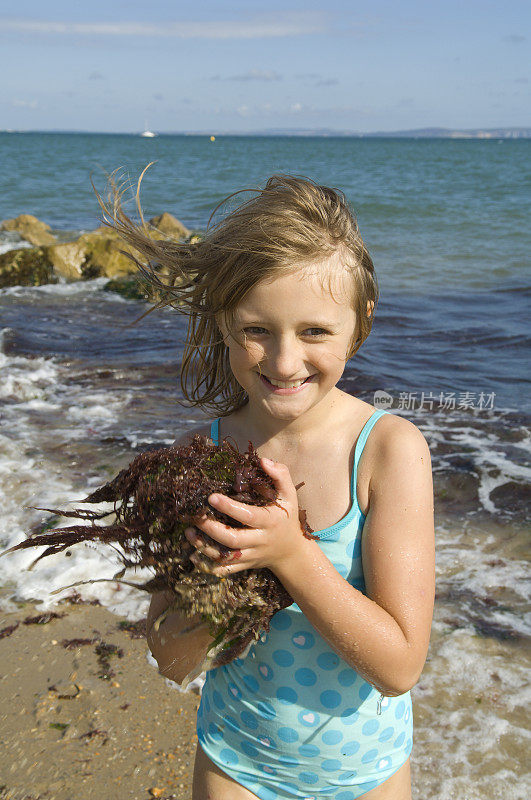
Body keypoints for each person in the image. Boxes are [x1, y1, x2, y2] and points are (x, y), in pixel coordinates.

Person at [109, 174, 435, 799]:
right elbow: (173, 662)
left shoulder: (389, 452)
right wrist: (209, 577)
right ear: (223, 322)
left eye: (315, 332)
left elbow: (399, 666)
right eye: (257, 329)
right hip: (235, 764)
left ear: (360, 323)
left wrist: (290, 554)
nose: (285, 362)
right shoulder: (199, 462)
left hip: (365, 775)